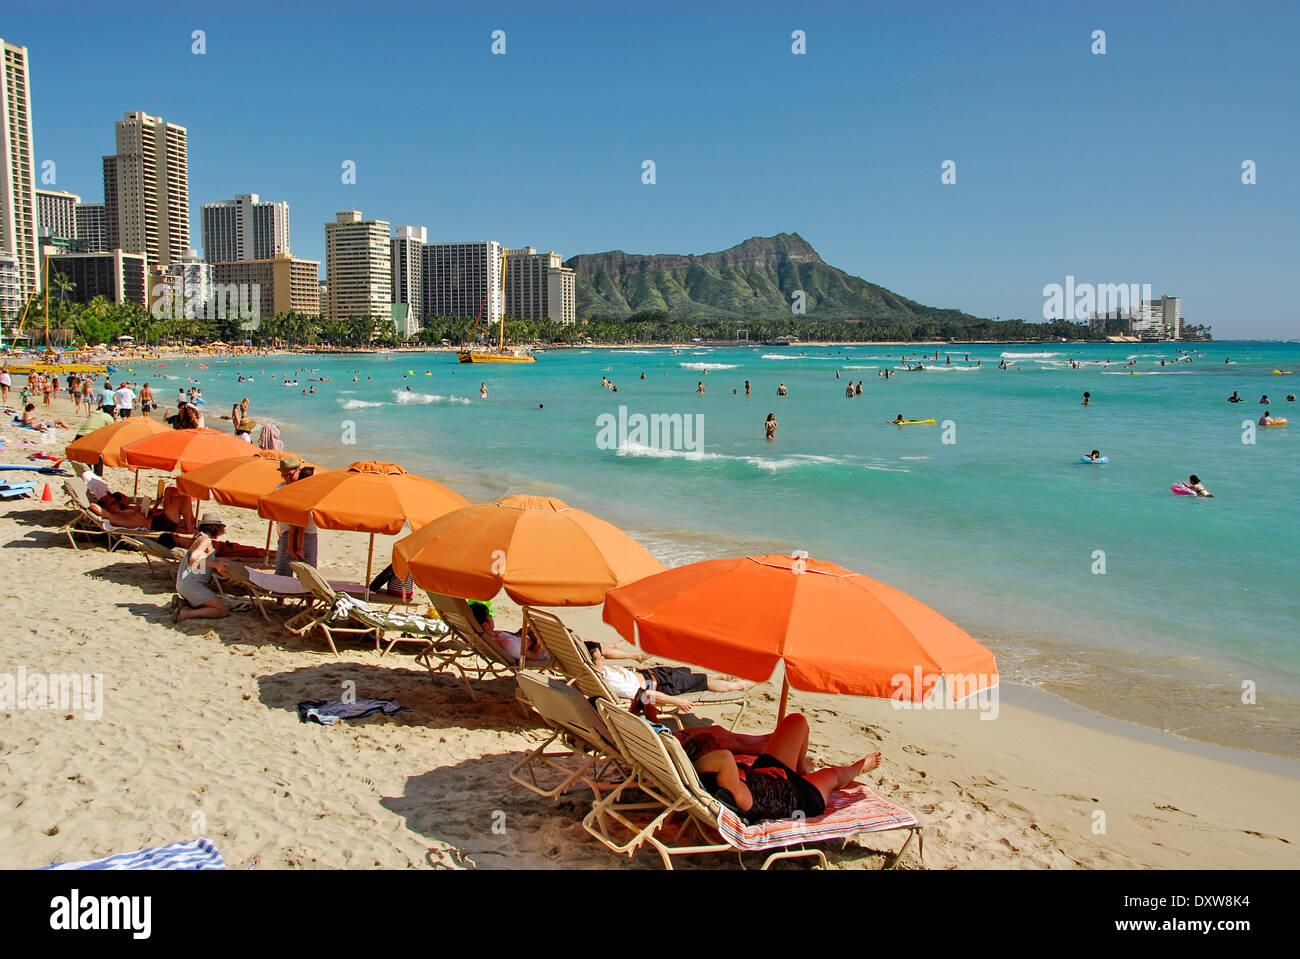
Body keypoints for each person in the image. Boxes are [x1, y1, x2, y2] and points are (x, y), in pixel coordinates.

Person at [678, 713, 880, 824]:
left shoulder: (725, 774)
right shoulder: (727, 786)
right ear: (707, 761)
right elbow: (725, 758)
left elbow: (725, 761)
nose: (722, 747)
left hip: (767, 775)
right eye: (716, 747)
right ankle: (858, 769)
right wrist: (693, 766)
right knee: (832, 775)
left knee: (796, 721)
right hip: (794, 796)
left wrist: (755, 774)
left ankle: (801, 770)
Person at [584, 642, 751, 713]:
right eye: (600, 659)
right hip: (662, 685)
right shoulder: (614, 683)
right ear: (593, 664)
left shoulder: (599, 672)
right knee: (704, 683)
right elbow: (646, 695)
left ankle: (723, 677)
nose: (604, 660)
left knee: (690, 674)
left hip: (653, 674)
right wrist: (677, 702)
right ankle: (740, 686)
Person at [175, 512, 232, 622]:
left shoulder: (200, 538)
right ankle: (185, 614)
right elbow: (194, 558)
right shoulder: (205, 540)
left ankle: (183, 602)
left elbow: (196, 563)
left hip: (185, 584)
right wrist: (215, 565)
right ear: (215, 528)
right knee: (222, 610)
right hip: (192, 586)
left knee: (210, 602)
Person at [468, 602, 548, 664]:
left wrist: (522, 631)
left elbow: (514, 639)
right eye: (489, 616)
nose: (492, 617)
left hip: (536, 645)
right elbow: (535, 656)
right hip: (547, 652)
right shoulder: (506, 643)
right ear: (485, 625)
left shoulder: (493, 636)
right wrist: (540, 637)